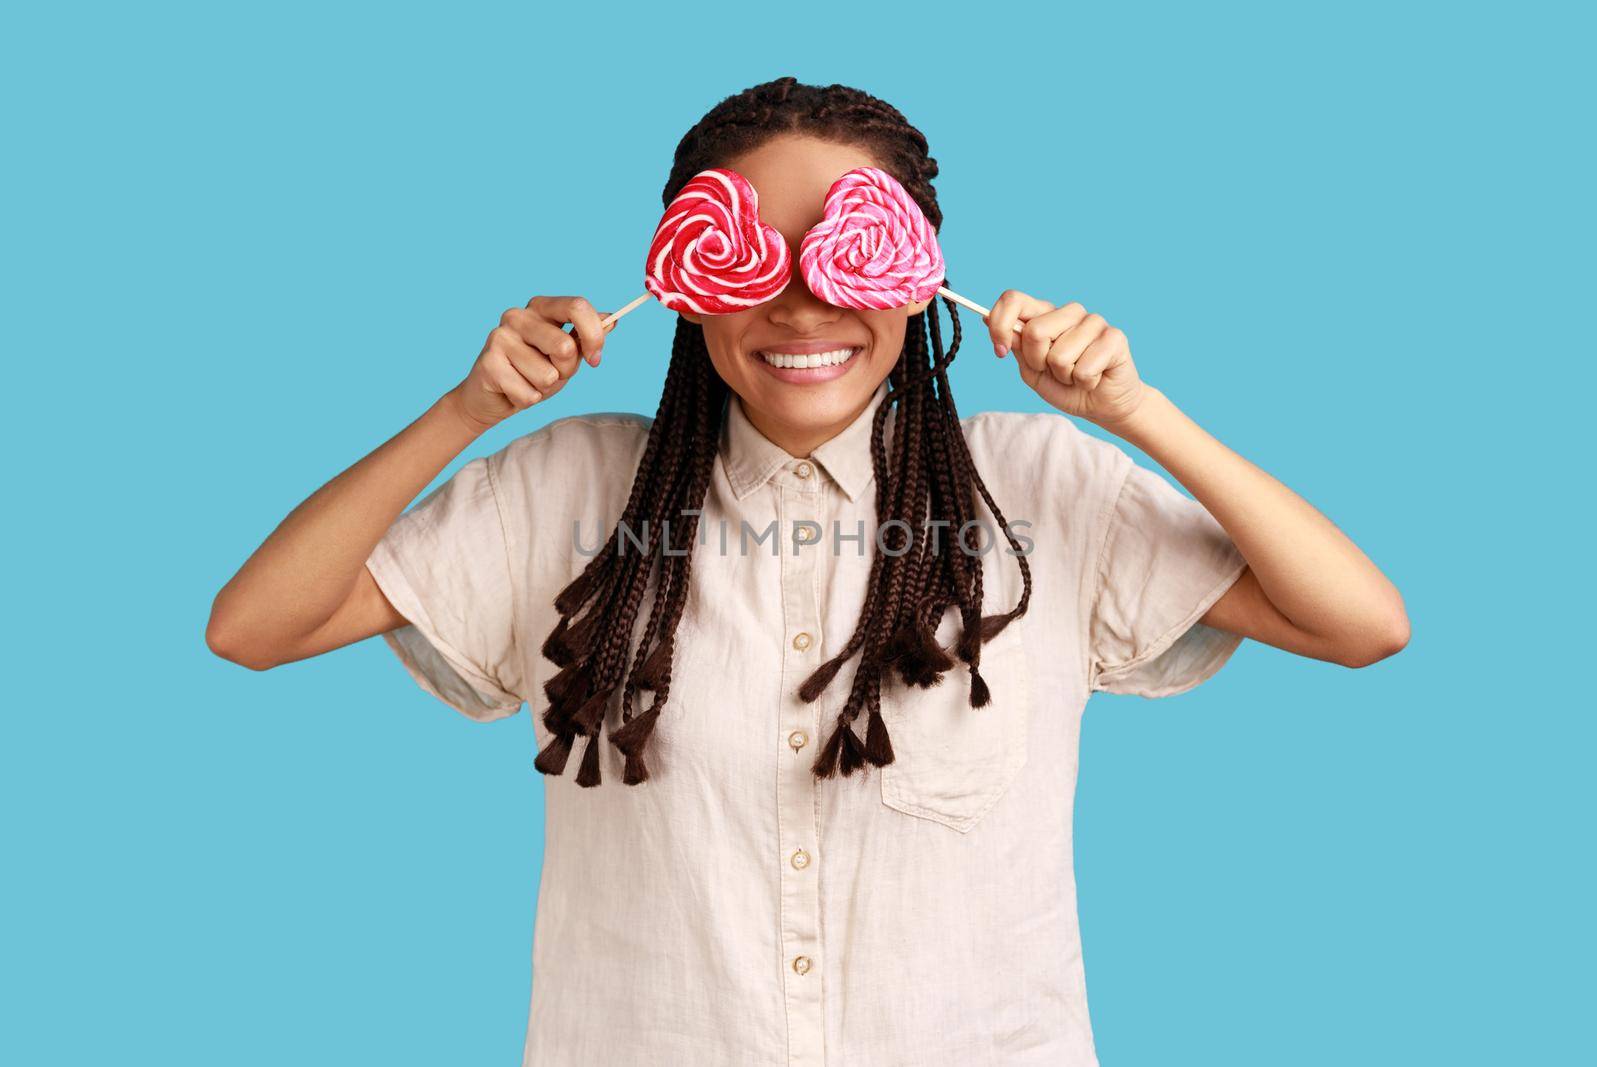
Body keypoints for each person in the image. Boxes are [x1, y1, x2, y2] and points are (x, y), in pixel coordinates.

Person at [206, 77, 1408, 1066]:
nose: (800, 300)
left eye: (846, 252)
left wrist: (1139, 412)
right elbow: (254, 625)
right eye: (752, 257)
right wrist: (466, 407)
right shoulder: (565, 490)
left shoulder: (1037, 488)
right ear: (685, 281)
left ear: (921, 275)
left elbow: (1361, 622)